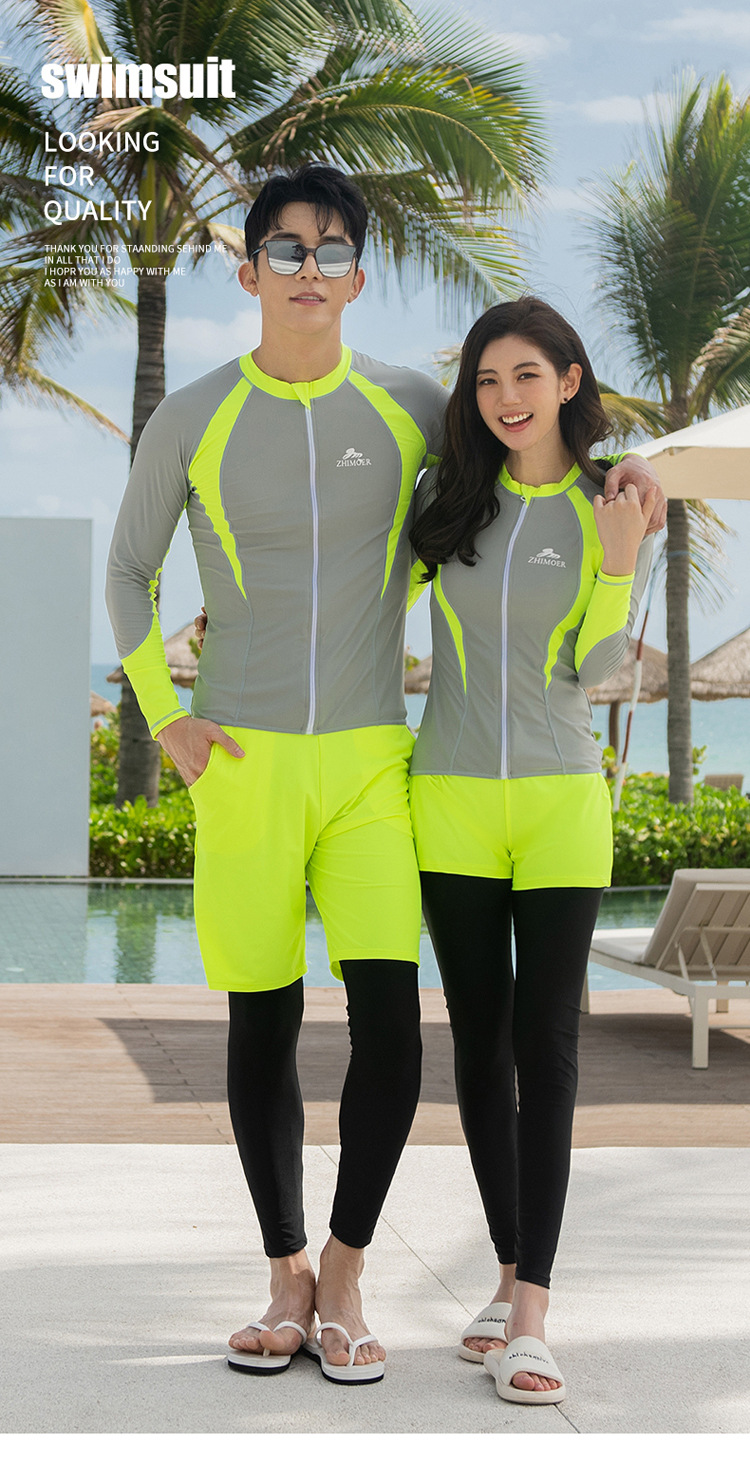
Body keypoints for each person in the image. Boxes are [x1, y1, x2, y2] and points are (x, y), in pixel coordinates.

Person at [107, 165, 663, 1386]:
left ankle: (348, 1272)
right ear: (249, 269)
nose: (309, 269)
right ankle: (286, 1278)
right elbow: (128, 572)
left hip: (373, 765)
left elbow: (530, 459)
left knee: (392, 1033)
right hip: (243, 766)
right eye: (286, 249)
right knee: (261, 1023)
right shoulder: (193, 415)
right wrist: (167, 717)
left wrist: (629, 487)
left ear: (358, 278)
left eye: (332, 250)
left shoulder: (412, 402)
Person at [408, 295, 655, 1404]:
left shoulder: (613, 505)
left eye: (524, 375)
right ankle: (508, 1273)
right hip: (451, 800)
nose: (504, 398)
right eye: (485, 380)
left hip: (560, 803)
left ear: (569, 380)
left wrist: (619, 558)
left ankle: (533, 1312)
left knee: (546, 1046)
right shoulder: (448, 500)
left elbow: (595, 669)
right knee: (479, 1044)